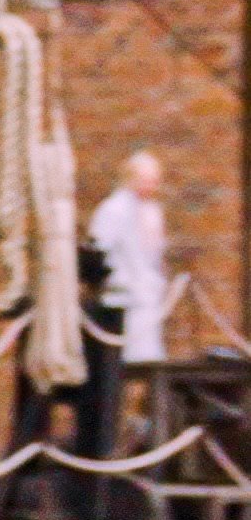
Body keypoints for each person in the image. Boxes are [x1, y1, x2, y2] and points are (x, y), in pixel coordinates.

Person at [89, 150, 172, 364]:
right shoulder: (113, 209)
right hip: (122, 299)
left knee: (148, 358)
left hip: (148, 297)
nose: (150, 187)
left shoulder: (153, 212)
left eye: (154, 181)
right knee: (127, 360)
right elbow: (99, 250)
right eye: (145, 180)